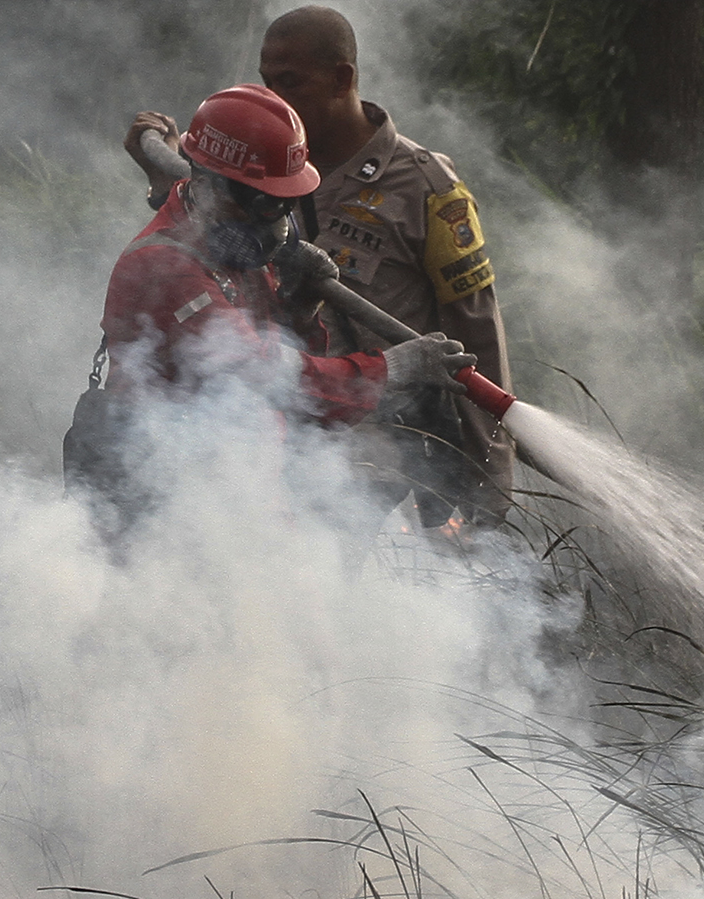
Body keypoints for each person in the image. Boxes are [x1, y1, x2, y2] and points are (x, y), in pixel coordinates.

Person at [124, 6, 515, 533]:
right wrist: (168, 179)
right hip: (271, 433)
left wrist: (492, 498)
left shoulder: (426, 188)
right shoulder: (253, 171)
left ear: (342, 79)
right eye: (268, 83)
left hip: (371, 447)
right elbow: (202, 254)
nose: (277, 101)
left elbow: (477, 340)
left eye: (291, 83)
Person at [87, 83, 475, 540]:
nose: (278, 221)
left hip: (245, 511)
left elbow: (287, 381)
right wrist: (391, 368)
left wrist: (301, 308)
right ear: (211, 186)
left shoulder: (229, 247)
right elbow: (271, 379)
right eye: (268, 202)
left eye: (288, 202)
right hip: (167, 524)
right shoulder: (165, 268)